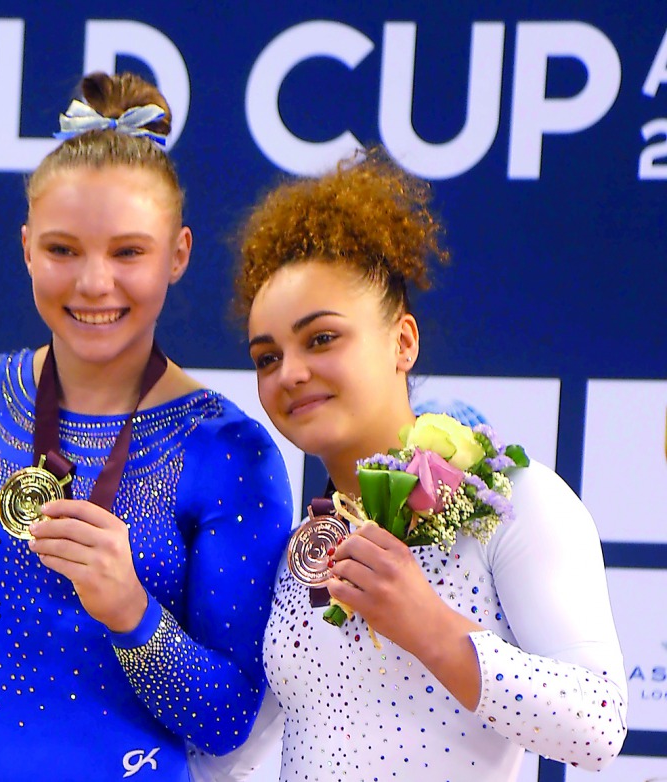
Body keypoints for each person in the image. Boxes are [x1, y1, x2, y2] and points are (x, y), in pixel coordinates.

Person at [0, 72, 293, 781]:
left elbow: (229, 718)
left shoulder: (227, 452)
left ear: (177, 254)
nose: (93, 284)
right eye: (63, 250)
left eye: (128, 252)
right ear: (26, 246)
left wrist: (132, 613)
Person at [235, 149, 627, 780]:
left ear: (404, 341)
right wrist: (128, 620)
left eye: (322, 338)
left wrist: (428, 624)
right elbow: (235, 751)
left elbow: (598, 725)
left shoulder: (512, 501)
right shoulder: (297, 553)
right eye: (266, 357)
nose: (292, 373)